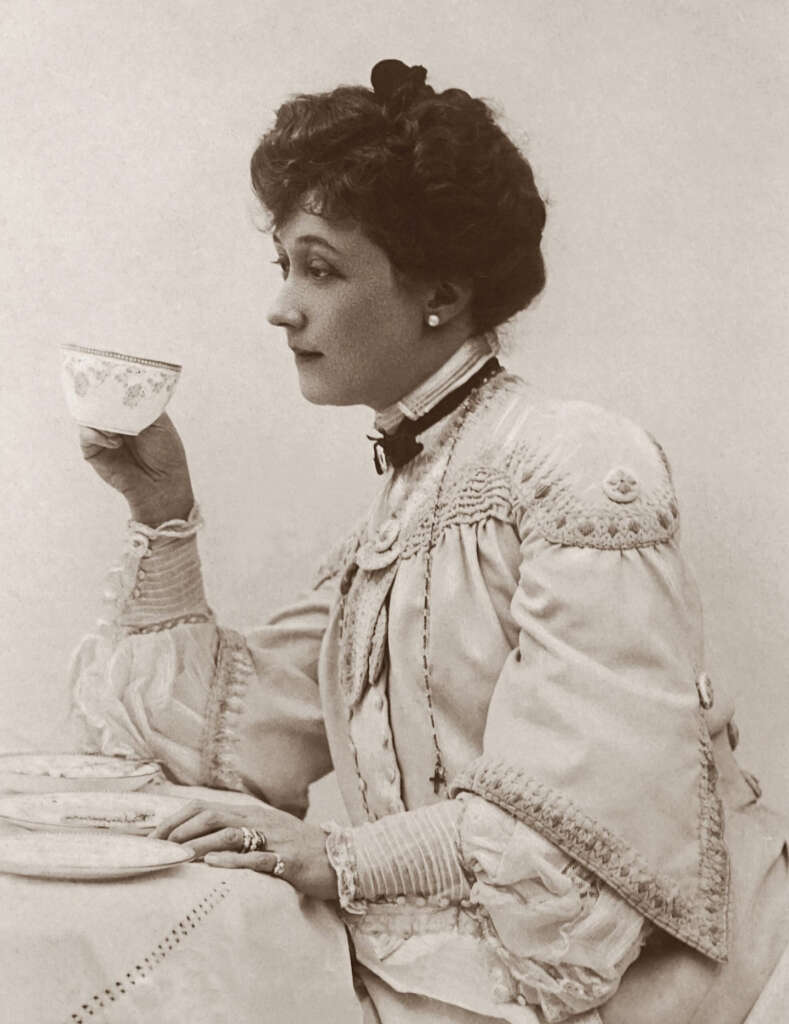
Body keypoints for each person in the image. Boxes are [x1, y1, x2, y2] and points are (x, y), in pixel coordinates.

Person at [70, 60, 787, 1023]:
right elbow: (226, 747)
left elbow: (596, 809)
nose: (284, 306)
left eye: (320, 267)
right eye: (283, 266)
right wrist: (162, 512)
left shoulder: (574, 461)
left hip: (660, 980)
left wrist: (341, 858)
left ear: (439, 291)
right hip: (449, 962)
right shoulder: (407, 506)